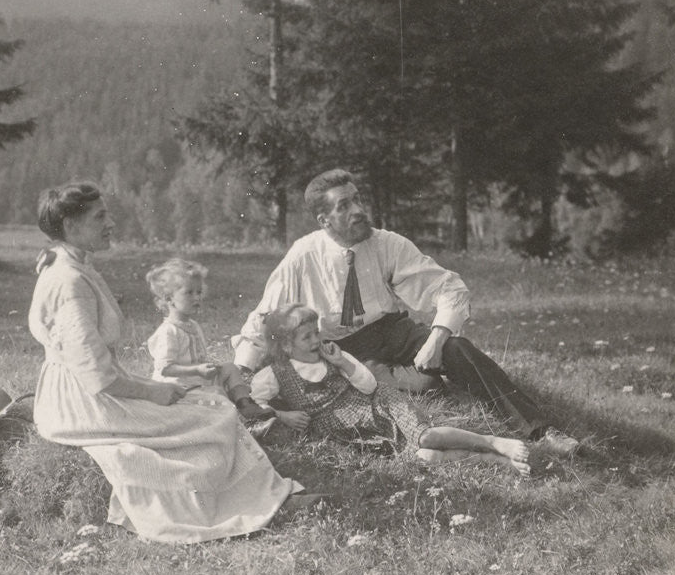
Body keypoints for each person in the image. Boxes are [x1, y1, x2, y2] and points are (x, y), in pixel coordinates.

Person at [28, 181, 309, 544]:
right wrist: (153, 391)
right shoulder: (69, 281)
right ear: (70, 226)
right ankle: (237, 506)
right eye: (100, 217)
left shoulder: (67, 262)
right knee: (212, 417)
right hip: (82, 401)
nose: (111, 223)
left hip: (81, 388)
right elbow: (97, 377)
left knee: (209, 406)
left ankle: (256, 495)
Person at [233, 168, 578, 454]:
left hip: (392, 330)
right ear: (324, 220)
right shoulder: (303, 255)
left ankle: (540, 432)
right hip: (342, 347)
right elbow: (266, 315)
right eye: (344, 206)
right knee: (409, 386)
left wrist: (437, 341)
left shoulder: (387, 243)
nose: (358, 210)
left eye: (358, 199)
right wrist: (241, 371)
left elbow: (449, 288)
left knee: (457, 349)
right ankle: (428, 385)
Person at [251, 304, 531, 475]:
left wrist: (342, 363)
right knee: (426, 458)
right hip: (352, 432)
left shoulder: (333, 355)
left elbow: (369, 385)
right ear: (286, 345)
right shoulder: (274, 374)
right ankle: (494, 460)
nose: (316, 341)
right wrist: (281, 414)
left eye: (316, 333)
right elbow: (251, 406)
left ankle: (492, 442)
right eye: (307, 337)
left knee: (427, 437)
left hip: (379, 406)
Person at [145, 258, 275, 422]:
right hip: (179, 388)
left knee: (230, 368)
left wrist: (207, 367)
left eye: (199, 292)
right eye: (189, 293)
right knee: (218, 398)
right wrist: (197, 370)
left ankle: (246, 405)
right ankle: (239, 423)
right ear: (169, 299)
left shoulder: (192, 325)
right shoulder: (168, 332)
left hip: (196, 381)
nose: (196, 298)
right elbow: (165, 368)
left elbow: (196, 358)